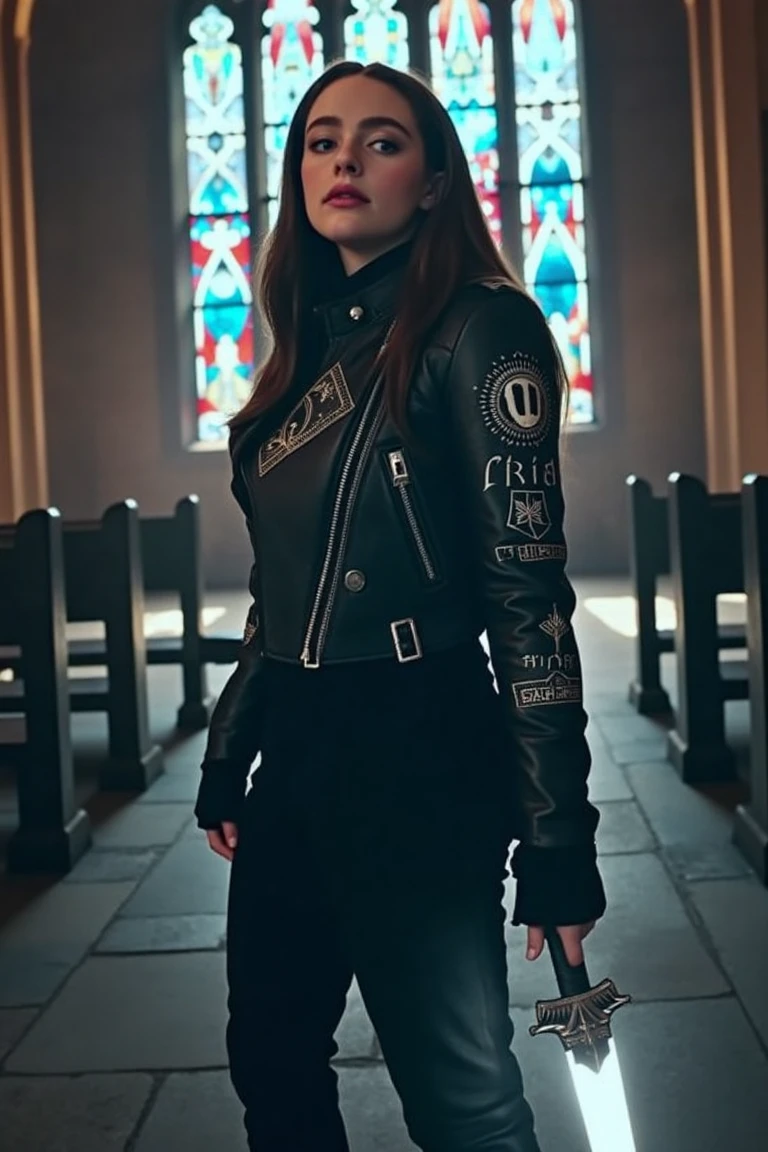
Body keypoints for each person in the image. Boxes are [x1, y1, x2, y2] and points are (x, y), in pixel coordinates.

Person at [194, 58, 606, 1152]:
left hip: (422, 747)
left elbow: (530, 603)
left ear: (431, 182)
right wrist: (233, 746)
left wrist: (558, 841)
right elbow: (279, 589)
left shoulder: (482, 330)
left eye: (381, 140)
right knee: (271, 1060)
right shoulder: (307, 350)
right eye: (323, 140)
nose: (344, 159)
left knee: (460, 1098)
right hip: (301, 753)